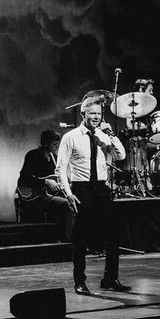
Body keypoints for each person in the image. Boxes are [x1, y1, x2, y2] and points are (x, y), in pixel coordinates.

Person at [56, 96, 130, 295]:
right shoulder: (70, 137)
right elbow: (61, 168)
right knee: (80, 237)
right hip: (82, 189)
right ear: (83, 114)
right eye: (92, 113)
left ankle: (110, 278)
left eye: (99, 113)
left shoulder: (104, 135)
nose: (96, 117)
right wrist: (69, 194)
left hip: (101, 189)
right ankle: (79, 280)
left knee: (113, 234)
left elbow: (121, 156)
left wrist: (112, 136)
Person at [17, 129, 74, 240]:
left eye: (58, 144)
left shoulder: (55, 158)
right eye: (54, 144)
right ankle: (67, 241)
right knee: (66, 204)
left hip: (52, 195)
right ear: (45, 143)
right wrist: (45, 182)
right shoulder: (33, 155)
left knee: (76, 200)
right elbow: (23, 178)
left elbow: (62, 178)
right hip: (36, 196)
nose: (57, 147)